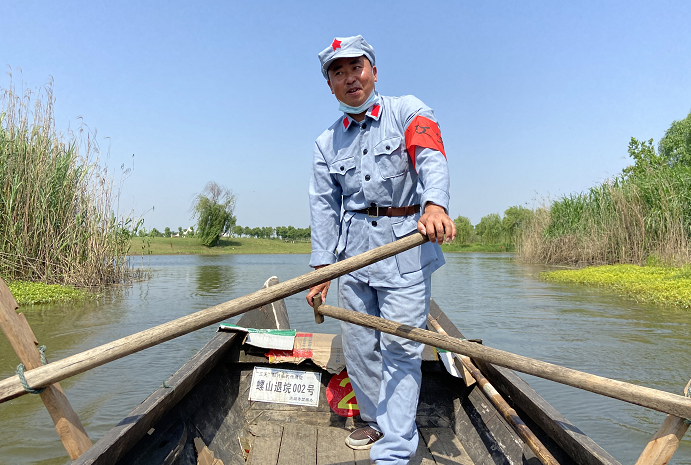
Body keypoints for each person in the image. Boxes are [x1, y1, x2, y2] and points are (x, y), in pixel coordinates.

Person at [305, 35, 456, 464]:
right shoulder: (325, 143)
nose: (350, 78)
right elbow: (324, 208)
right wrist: (322, 271)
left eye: (356, 67)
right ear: (330, 85)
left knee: (401, 348)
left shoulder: (408, 110)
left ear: (373, 70)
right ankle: (374, 419)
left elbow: (431, 157)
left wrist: (435, 204)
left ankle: (394, 449)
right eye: (338, 72)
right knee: (358, 348)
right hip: (353, 258)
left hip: (405, 250)